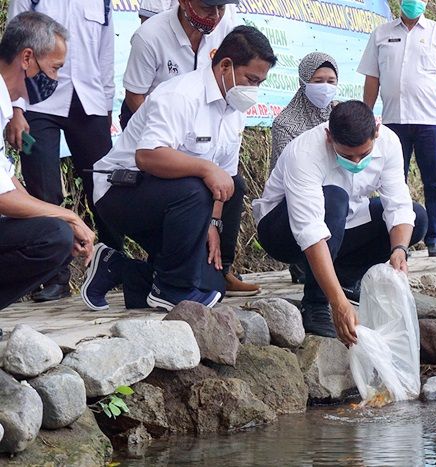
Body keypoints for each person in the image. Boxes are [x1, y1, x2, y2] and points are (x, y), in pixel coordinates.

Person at [80, 26, 276, 312]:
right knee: (197, 187)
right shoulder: (180, 95)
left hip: (177, 202)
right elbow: (147, 156)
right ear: (225, 66)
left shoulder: (233, 111)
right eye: (251, 79)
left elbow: (225, 178)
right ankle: (172, 290)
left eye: (260, 82)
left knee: (212, 284)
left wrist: (211, 225)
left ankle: (117, 268)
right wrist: (205, 168)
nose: (253, 89)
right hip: (121, 191)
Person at [253, 100, 428, 346]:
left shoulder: (388, 142)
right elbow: (310, 232)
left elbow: (398, 205)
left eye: (364, 154)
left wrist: (399, 250)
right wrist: (338, 304)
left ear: (376, 132)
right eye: (346, 155)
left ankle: (344, 279)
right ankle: (315, 303)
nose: (356, 162)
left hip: (343, 222)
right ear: (328, 136)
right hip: (282, 232)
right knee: (335, 198)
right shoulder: (304, 152)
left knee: (416, 218)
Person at [121, 0, 259, 296]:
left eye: (221, 8)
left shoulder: (226, 32)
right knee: (192, 188)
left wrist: (211, 220)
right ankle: (173, 279)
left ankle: (218, 269)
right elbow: (136, 96)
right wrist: (178, 154)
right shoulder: (151, 36)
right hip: (155, 130)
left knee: (231, 184)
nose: (216, 15)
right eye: (209, 7)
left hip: (202, 129)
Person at [5, 0, 116, 302]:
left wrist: (107, 106)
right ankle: (54, 278)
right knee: (43, 187)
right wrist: (16, 109)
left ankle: (115, 264)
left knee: (105, 185)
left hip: (89, 99)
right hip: (37, 102)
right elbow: (15, 43)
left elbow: (106, 54)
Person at [358, 0, 436, 258]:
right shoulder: (381, 33)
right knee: (392, 181)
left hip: (430, 121)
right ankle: (397, 242)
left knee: (435, 181)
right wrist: (365, 117)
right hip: (392, 122)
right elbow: (372, 78)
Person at [271, 51, 339, 285]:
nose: (325, 88)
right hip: (296, 198)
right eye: (318, 81)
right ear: (303, 82)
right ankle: (304, 264)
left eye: (331, 82)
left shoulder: (340, 117)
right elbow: (289, 176)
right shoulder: (286, 124)